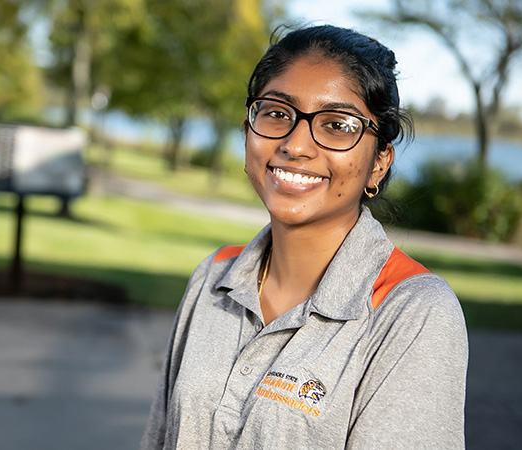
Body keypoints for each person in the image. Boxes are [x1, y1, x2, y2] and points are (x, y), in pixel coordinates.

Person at [141, 24, 468, 449]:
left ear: (378, 163)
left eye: (337, 124)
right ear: (248, 131)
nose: (296, 145)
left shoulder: (413, 313)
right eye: (276, 113)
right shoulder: (213, 278)